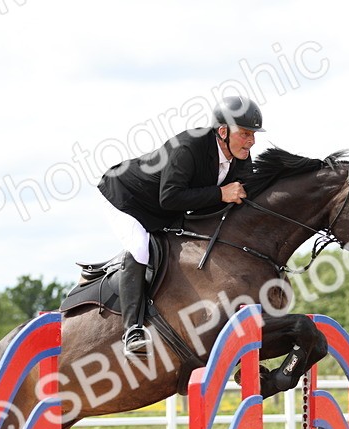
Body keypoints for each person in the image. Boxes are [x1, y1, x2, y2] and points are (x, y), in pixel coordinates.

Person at [97, 96, 264, 354]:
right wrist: (220, 193)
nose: (251, 141)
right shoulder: (188, 147)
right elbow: (170, 197)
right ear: (223, 131)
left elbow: (244, 197)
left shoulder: (240, 155)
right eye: (245, 133)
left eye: (253, 134)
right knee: (140, 247)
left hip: (165, 210)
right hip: (127, 197)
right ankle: (132, 331)